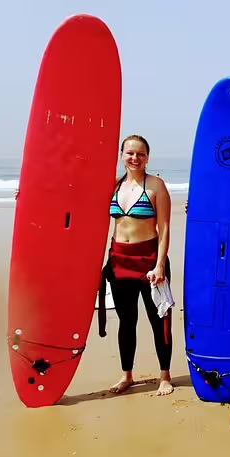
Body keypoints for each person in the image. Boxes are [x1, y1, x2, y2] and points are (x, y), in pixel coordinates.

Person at [100, 135, 174, 396]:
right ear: (122, 155)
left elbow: (164, 229)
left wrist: (160, 265)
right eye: (130, 153)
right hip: (119, 260)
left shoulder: (155, 186)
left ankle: (165, 375)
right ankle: (127, 375)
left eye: (140, 154)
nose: (135, 158)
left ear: (147, 157)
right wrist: (27, 194)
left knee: (159, 320)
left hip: (149, 260)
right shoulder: (113, 185)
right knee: (126, 321)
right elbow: (74, 202)